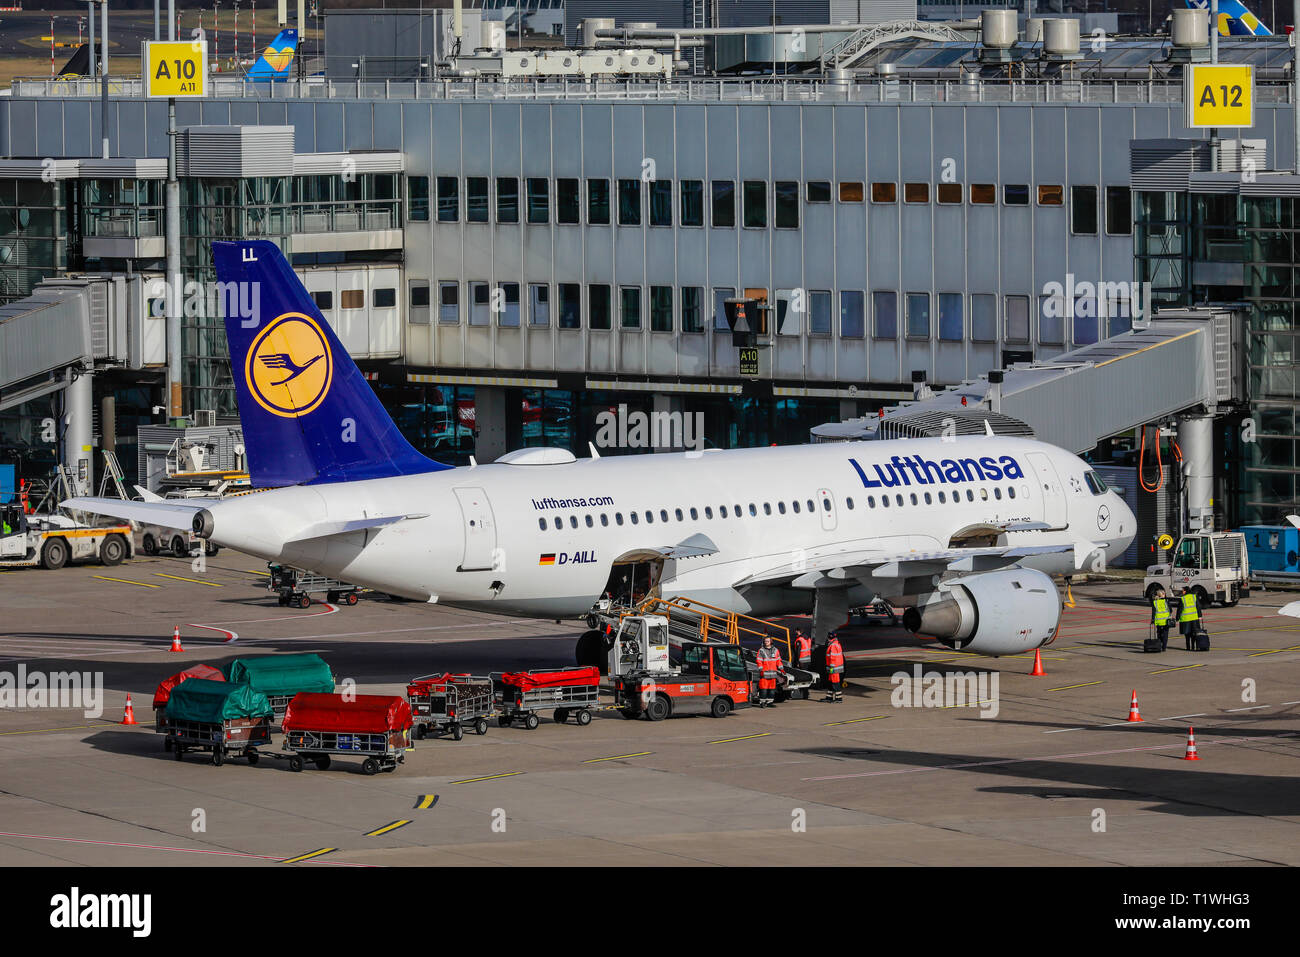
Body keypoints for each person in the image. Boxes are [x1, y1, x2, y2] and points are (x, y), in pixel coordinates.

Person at [756, 635, 781, 708]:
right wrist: (761, 669)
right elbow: (759, 661)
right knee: (763, 689)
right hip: (764, 673)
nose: (766, 642)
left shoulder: (776, 650)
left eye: (768, 641)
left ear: (771, 642)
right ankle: (762, 702)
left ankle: (770, 702)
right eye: (765, 641)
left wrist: (781, 668)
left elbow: (778, 660)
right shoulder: (761, 650)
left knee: (772, 690)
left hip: (773, 673)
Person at [1177, 586, 1204, 651]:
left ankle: (1188, 647)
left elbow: (1180, 609)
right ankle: (1193, 646)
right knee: (1194, 633)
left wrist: (1177, 618)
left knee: (1187, 634)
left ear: (1185, 591)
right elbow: (1198, 606)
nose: (1182, 592)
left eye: (1183, 590)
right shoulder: (1194, 596)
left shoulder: (1182, 598)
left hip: (1186, 619)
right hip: (1194, 618)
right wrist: (1200, 615)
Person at [823, 632, 845, 702]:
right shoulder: (836, 644)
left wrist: (831, 667)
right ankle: (829, 697)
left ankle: (839, 698)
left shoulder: (833, 645)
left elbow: (833, 658)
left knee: (835, 682)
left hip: (834, 668)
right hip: (834, 667)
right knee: (830, 681)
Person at [1150, 586, 1172, 652]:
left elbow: (1153, 612)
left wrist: (1152, 620)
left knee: (1159, 634)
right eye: (1164, 594)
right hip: (1166, 621)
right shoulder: (1166, 601)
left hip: (1159, 621)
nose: (1165, 595)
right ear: (1161, 595)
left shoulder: (1155, 602)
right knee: (1165, 634)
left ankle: (1159, 645)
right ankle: (1164, 647)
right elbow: (1170, 610)